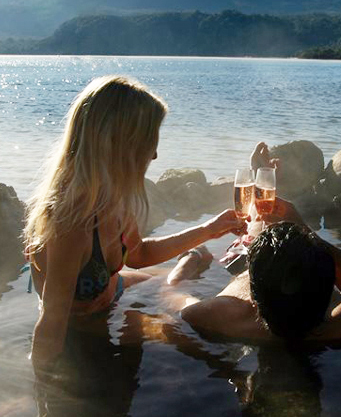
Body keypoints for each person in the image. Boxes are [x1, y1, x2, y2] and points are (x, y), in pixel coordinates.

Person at [23, 75, 246, 375]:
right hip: (87, 327)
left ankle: (189, 263)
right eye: (150, 142)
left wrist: (209, 229)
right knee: (187, 337)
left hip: (113, 290)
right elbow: (52, 324)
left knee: (168, 283)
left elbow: (138, 254)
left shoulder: (112, 198)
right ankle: (186, 274)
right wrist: (41, 393)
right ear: (120, 146)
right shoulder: (72, 224)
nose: (154, 154)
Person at [174, 197, 341, 345]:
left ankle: (260, 177)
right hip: (292, 284)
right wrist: (307, 233)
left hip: (253, 280)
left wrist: (189, 260)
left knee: (259, 230)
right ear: (329, 291)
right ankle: (262, 175)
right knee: (264, 234)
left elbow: (171, 293)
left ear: (252, 299)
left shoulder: (217, 316)